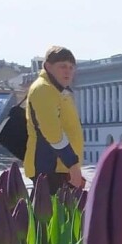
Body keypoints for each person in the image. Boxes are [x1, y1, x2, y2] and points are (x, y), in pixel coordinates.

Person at [23, 45, 85, 193]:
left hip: (60, 169)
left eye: (71, 67)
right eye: (62, 66)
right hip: (50, 169)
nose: (68, 71)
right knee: (50, 213)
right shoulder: (44, 89)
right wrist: (73, 165)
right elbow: (53, 134)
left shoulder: (58, 90)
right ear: (48, 67)